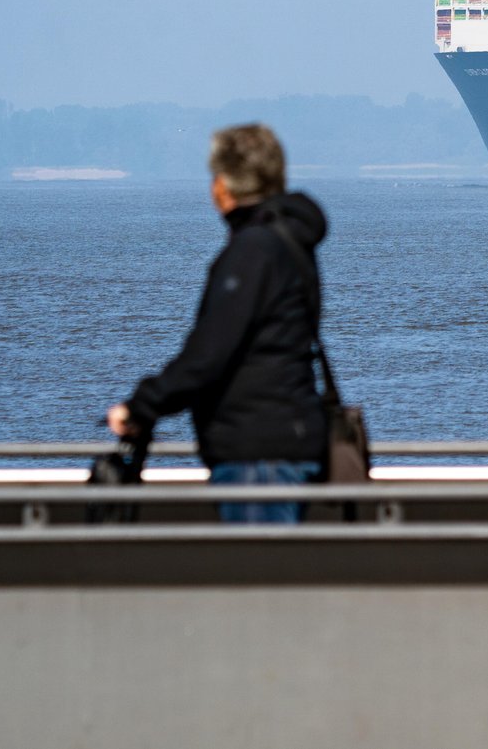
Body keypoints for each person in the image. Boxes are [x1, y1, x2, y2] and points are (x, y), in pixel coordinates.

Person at [106, 123, 328, 523]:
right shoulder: (290, 243)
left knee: (258, 574)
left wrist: (142, 406)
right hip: (289, 438)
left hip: (258, 452)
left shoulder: (252, 251)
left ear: (224, 186)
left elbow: (209, 354)